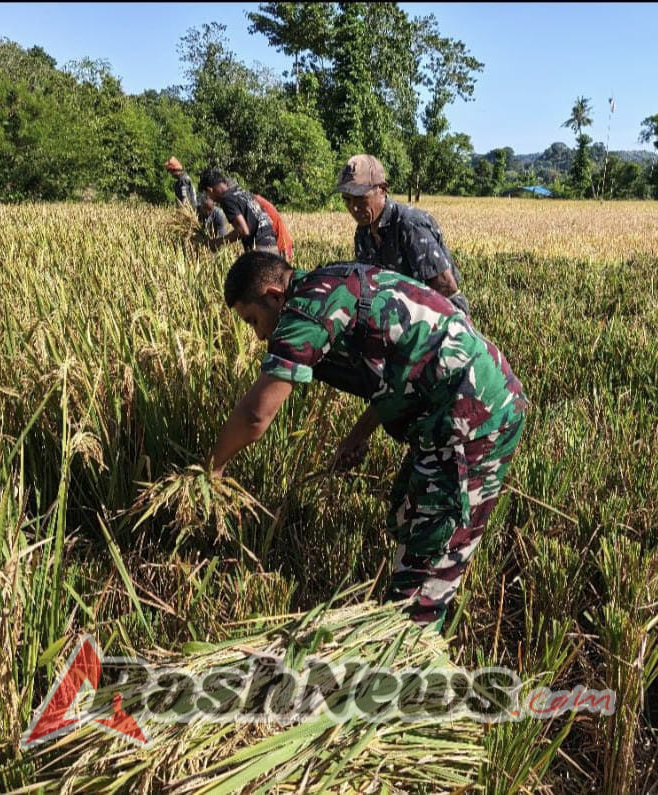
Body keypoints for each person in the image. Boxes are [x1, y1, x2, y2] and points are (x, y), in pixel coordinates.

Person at [208, 251, 527, 628]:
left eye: (254, 320)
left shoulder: (306, 310)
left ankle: (411, 653)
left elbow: (255, 415)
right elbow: (399, 361)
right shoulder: (328, 286)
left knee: (426, 568)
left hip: (475, 421)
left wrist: (211, 470)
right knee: (406, 514)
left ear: (275, 295)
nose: (259, 335)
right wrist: (358, 434)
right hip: (448, 414)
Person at [335, 154, 470, 316]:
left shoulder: (410, 225)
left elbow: (446, 289)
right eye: (347, 200)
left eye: (360, 199)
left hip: (438, 319)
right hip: (397, 316)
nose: (353, 208)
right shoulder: (363, 231)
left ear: (382, 189)